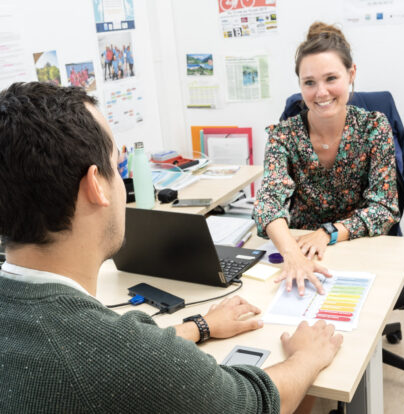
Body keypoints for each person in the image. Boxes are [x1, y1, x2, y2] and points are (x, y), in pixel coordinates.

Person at [0, 82, 342, 414]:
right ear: (96, 186)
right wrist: (308, 356)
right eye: (119, 168)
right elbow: (254, 403)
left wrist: (198, 326)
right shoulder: (122, 357)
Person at [253, 22, 400, 296]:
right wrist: (293, 255)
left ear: (351, 73)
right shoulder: (282, 135)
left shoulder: (374, 127)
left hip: (357, 245)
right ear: (300, 84)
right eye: (309, 82)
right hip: (299, 250)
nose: (320, 93)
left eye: (331, 79)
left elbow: (385, 207)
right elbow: (267, 205)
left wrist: (327, 232)